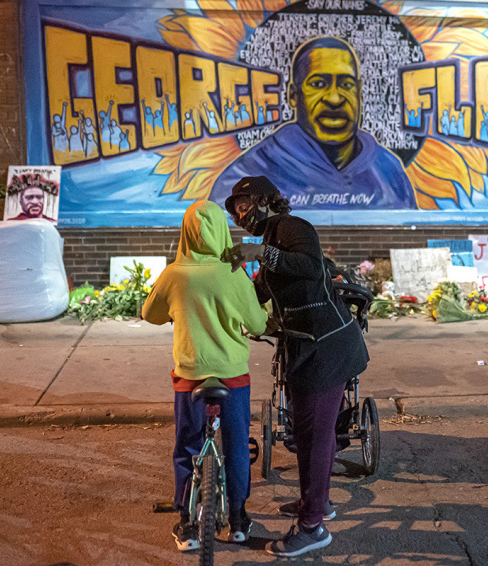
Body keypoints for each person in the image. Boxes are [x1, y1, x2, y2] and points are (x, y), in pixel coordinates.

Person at [225, 176, 369, 557]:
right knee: (305, 434)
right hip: (303, 347)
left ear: (265, 200)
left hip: (327, 346)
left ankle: (312, 526)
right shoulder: (271, 237)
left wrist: (260, 253)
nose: (241, 215)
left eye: (244, 204)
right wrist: (230, 300)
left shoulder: (292, 227)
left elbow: (307, 266)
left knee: (317, 436)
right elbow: (260, 293)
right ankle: (315, 504)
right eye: (236, 211)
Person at [142, 200, 268, 552]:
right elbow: (258, 323)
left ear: (185, 232)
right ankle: (239, 519)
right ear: (222, 231)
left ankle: (186, 521)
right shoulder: (234, 273)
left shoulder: (173, 275)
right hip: (232, 375)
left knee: (187, 444)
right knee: (237, 444)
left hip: (190, 375)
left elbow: (149, 313)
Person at [210, 37, 415, 210]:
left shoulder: (389, 171)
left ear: (360, 93)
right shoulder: (246, 176)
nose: (335, 99)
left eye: (346, 84)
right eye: (318, 84)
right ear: (293, 95)